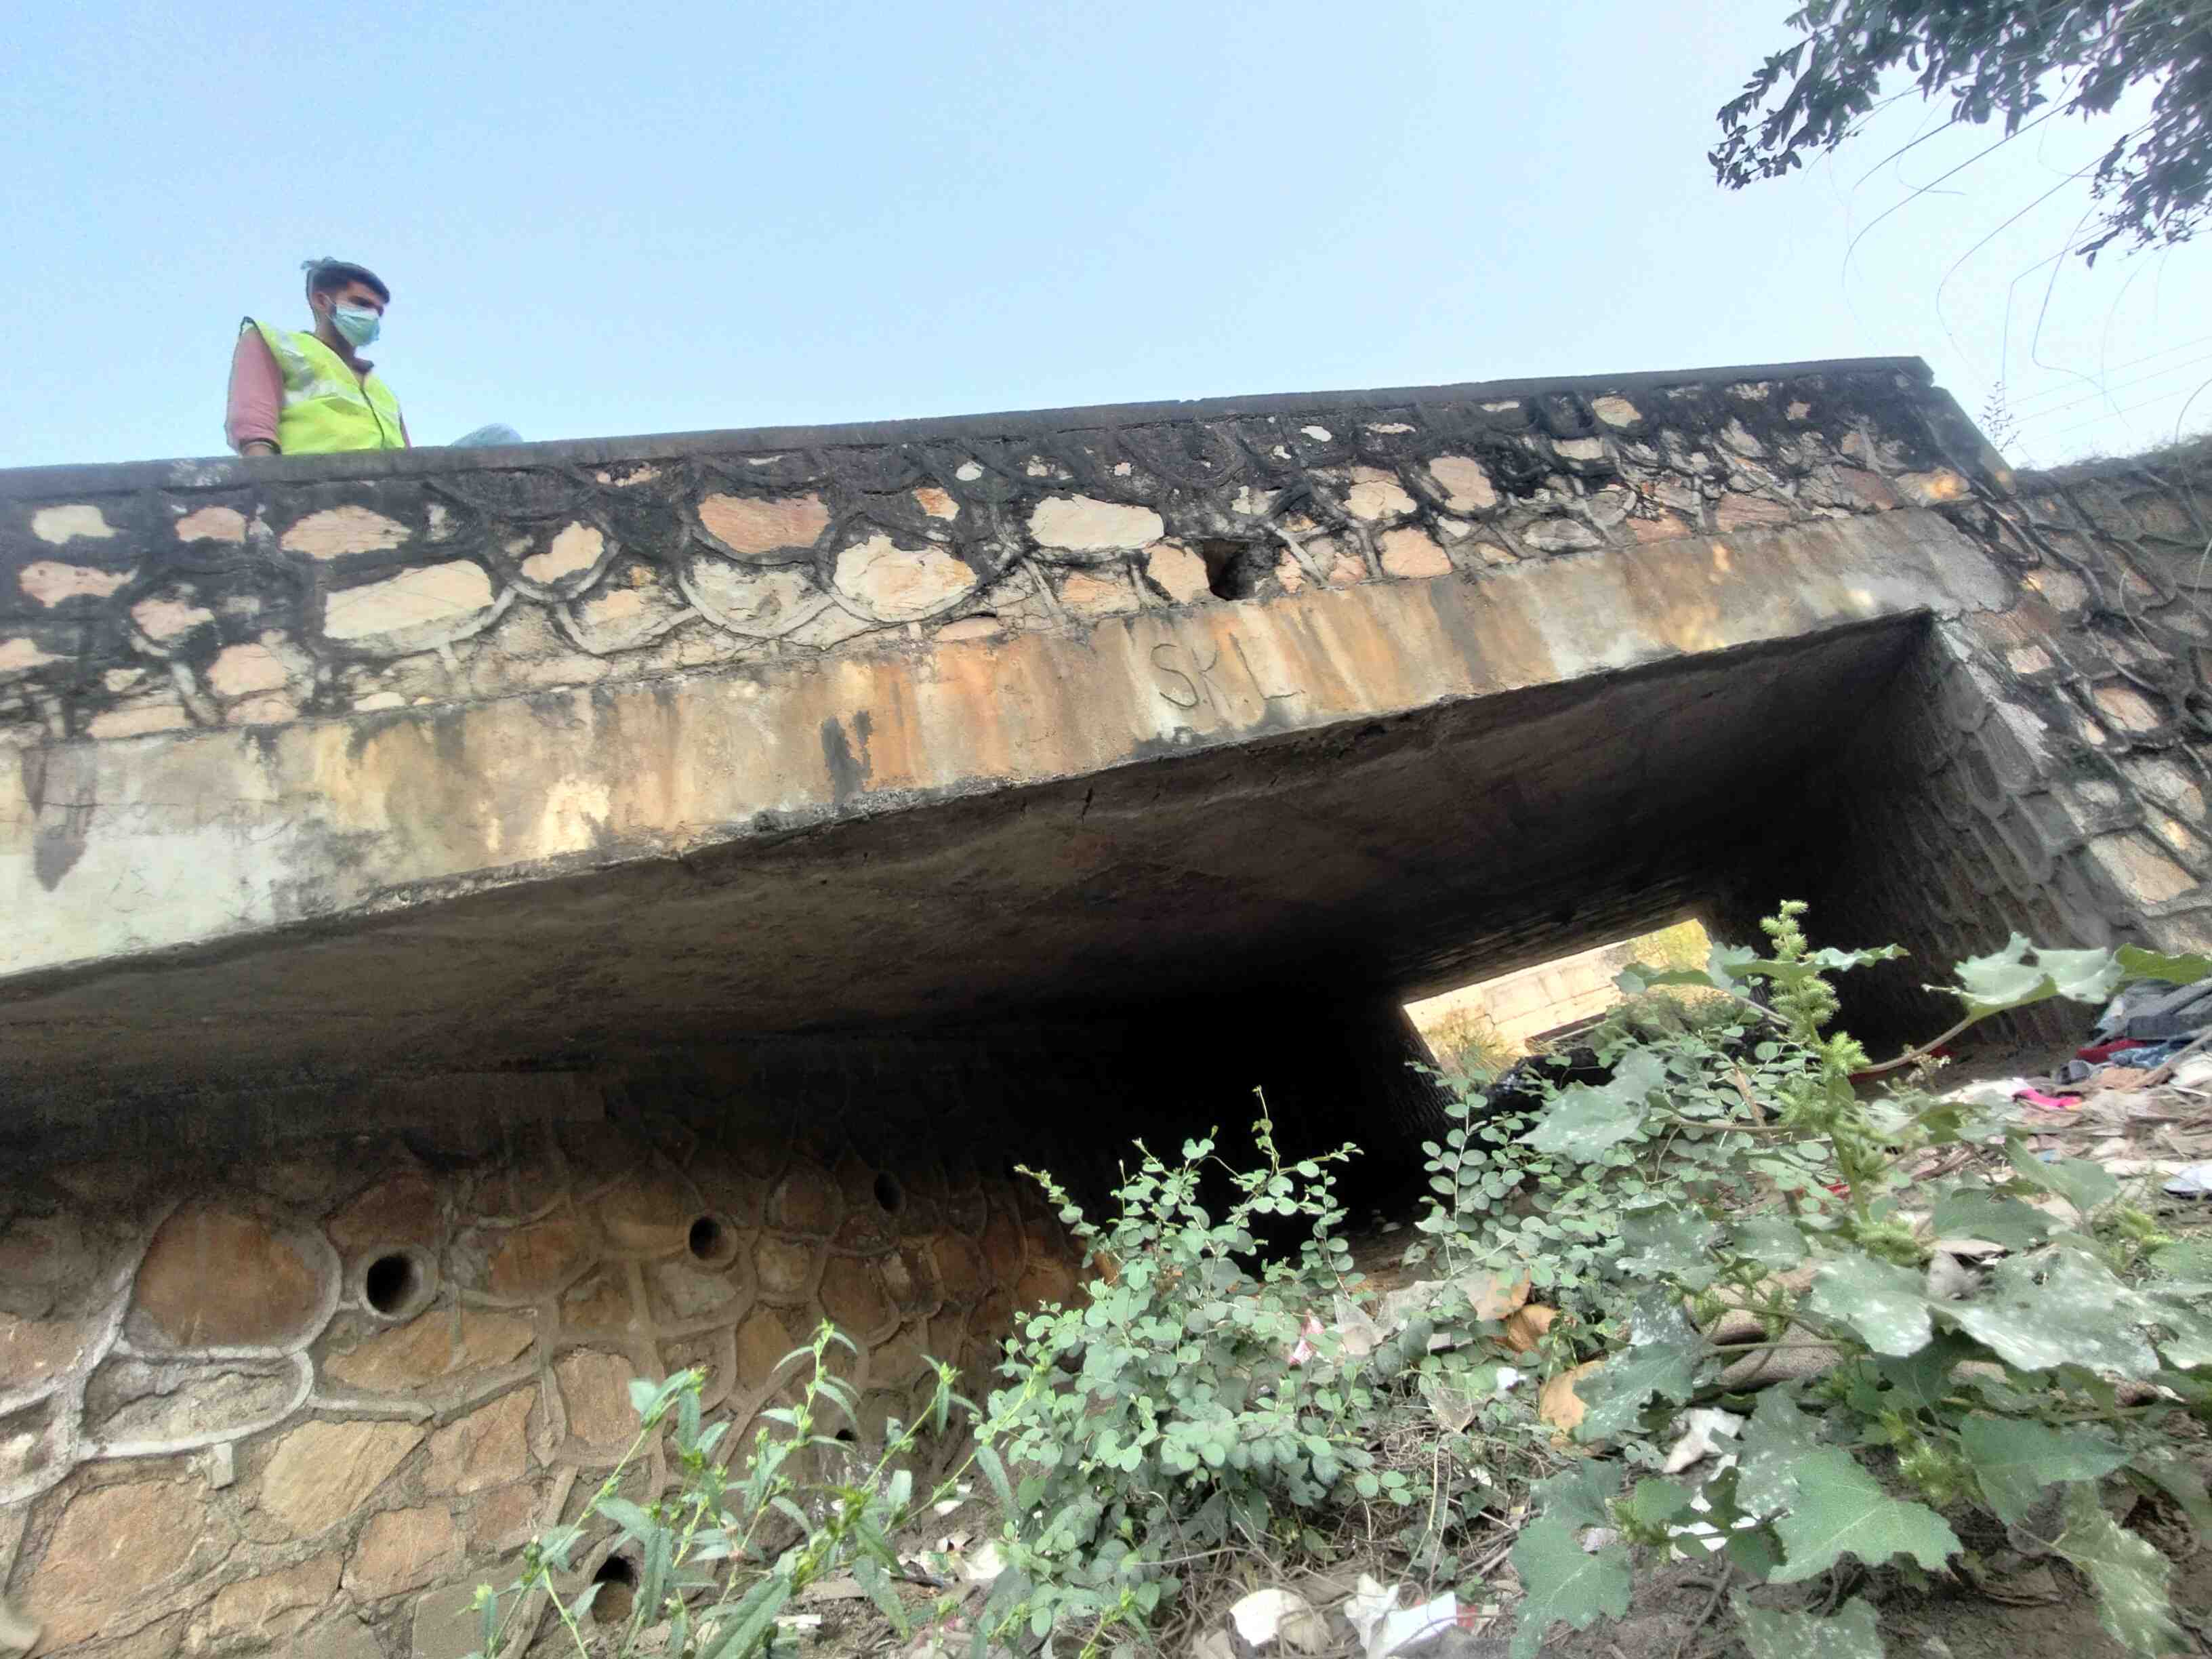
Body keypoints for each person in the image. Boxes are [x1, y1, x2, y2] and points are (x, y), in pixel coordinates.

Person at [225, 258, 520, 456]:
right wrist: (268, 490)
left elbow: (407, 456)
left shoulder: (381, 391)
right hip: (319, 481)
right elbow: (253, 423)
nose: (372, 317)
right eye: (361, 304)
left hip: (394, 488)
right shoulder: (280, 344)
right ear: (322, 301)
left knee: (500, 439)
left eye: (378, 312)